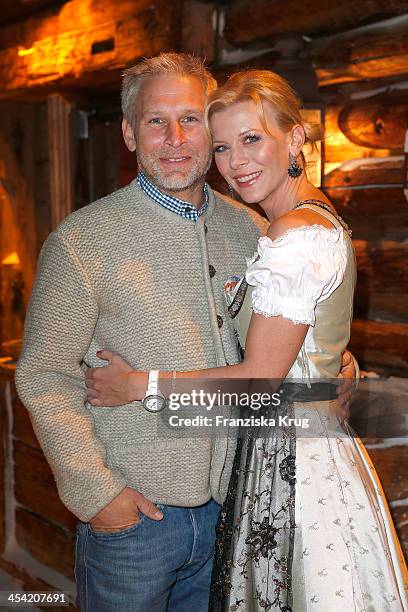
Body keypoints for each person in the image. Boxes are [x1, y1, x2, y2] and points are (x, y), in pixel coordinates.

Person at [15, 54, 355, 612]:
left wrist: (336, 367)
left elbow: (287, 337)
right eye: (155, 121)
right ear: (129, 132)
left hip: (239, 505)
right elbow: (45, 376)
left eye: (192, 119)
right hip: (135, 519)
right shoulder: (82, 241)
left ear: (211, 129)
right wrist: (98, 494)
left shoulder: (252, 227)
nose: (175, 138)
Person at [86, 69, 408, 611]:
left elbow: (261, 379)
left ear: (296, 138)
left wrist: (139, 385)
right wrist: (328, 369)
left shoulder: (292, 236)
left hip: (294, 463)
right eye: (223, 147)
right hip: (297, 443)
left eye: (253, 139)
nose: (237, 162)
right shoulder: (299, 219)